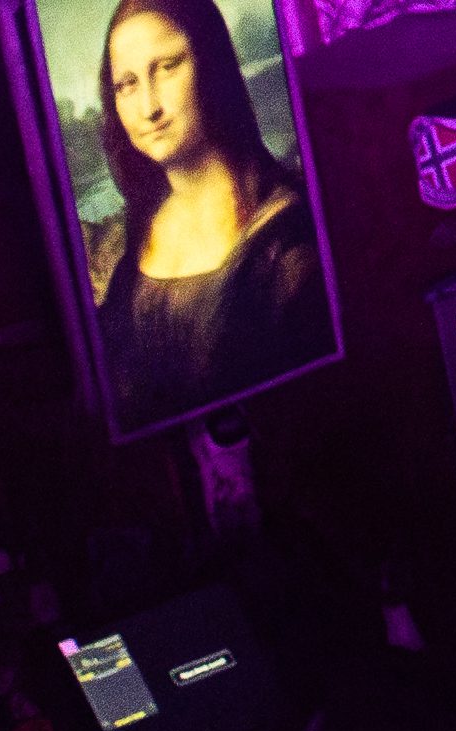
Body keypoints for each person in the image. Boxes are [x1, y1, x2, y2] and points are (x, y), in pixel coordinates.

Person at [74, 0, 322, 432]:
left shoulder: (286, 242)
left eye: (167, 67)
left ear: (211, 65)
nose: (149, 106)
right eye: (127, 84)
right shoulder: (126, 241)